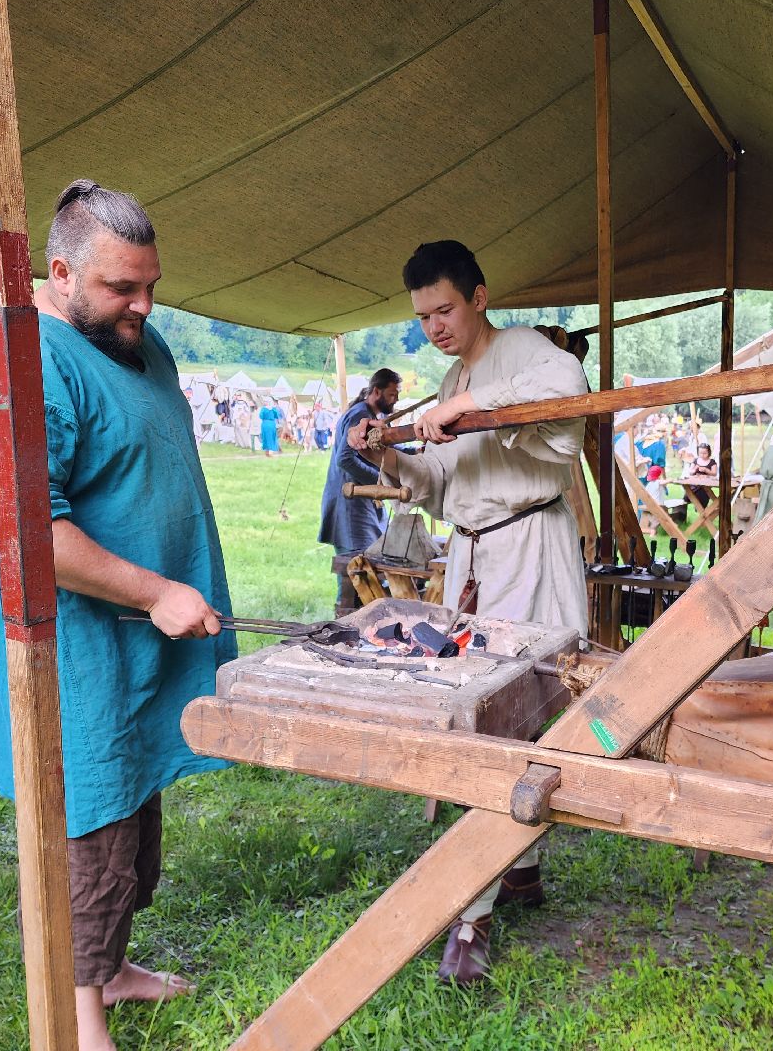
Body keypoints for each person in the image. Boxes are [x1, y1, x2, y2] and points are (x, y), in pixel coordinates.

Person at [0, 179, 233, 1051]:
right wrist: (156, 592)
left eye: (151, 286)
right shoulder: (15, 366)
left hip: (148, 646)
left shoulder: (142, 347)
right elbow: (29, 539)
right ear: (60, 269)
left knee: (136, 814)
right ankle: (75, 1025)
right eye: (121, 289)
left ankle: (112, 971)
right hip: (81, 654)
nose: (143, 307)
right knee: (92, 827)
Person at [349, 239, 587, 987]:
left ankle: (472, 911)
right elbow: (442, 477)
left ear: (479, 297)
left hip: (531, 549)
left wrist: (466, 405)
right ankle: (518, 871)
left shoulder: (529, 351)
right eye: (422, 317)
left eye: (444, 309)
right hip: (474, 558)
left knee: (518, 718)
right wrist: (387, 454)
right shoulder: (454, 375)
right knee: (485, 716)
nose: (435, 327)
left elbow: (567, 394)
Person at [318, 369, 402, 616]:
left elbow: (384, 451)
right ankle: (345, 630)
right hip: (350, 506)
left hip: (361, 504)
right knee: (356, 576)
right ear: (376, 392)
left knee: (365, 573)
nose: (395, 400)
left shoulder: (369, 416)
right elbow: (346, 459)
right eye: (391, 394)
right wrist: (382, 480)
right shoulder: (360, 416)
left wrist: (413, 454)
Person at [685, 441, 716, 510]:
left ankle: (701, 509)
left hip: (705, 485)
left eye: (705, 453)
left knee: (703, 495)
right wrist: (695, 469)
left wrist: (706, 470)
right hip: (695, 485)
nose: (702, 455)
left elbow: (714, 473)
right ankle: (697, 506)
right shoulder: (696, 461)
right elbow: (690, 472)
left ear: (709, 452)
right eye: (700, 453)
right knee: (688, 494)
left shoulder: (712, 462)